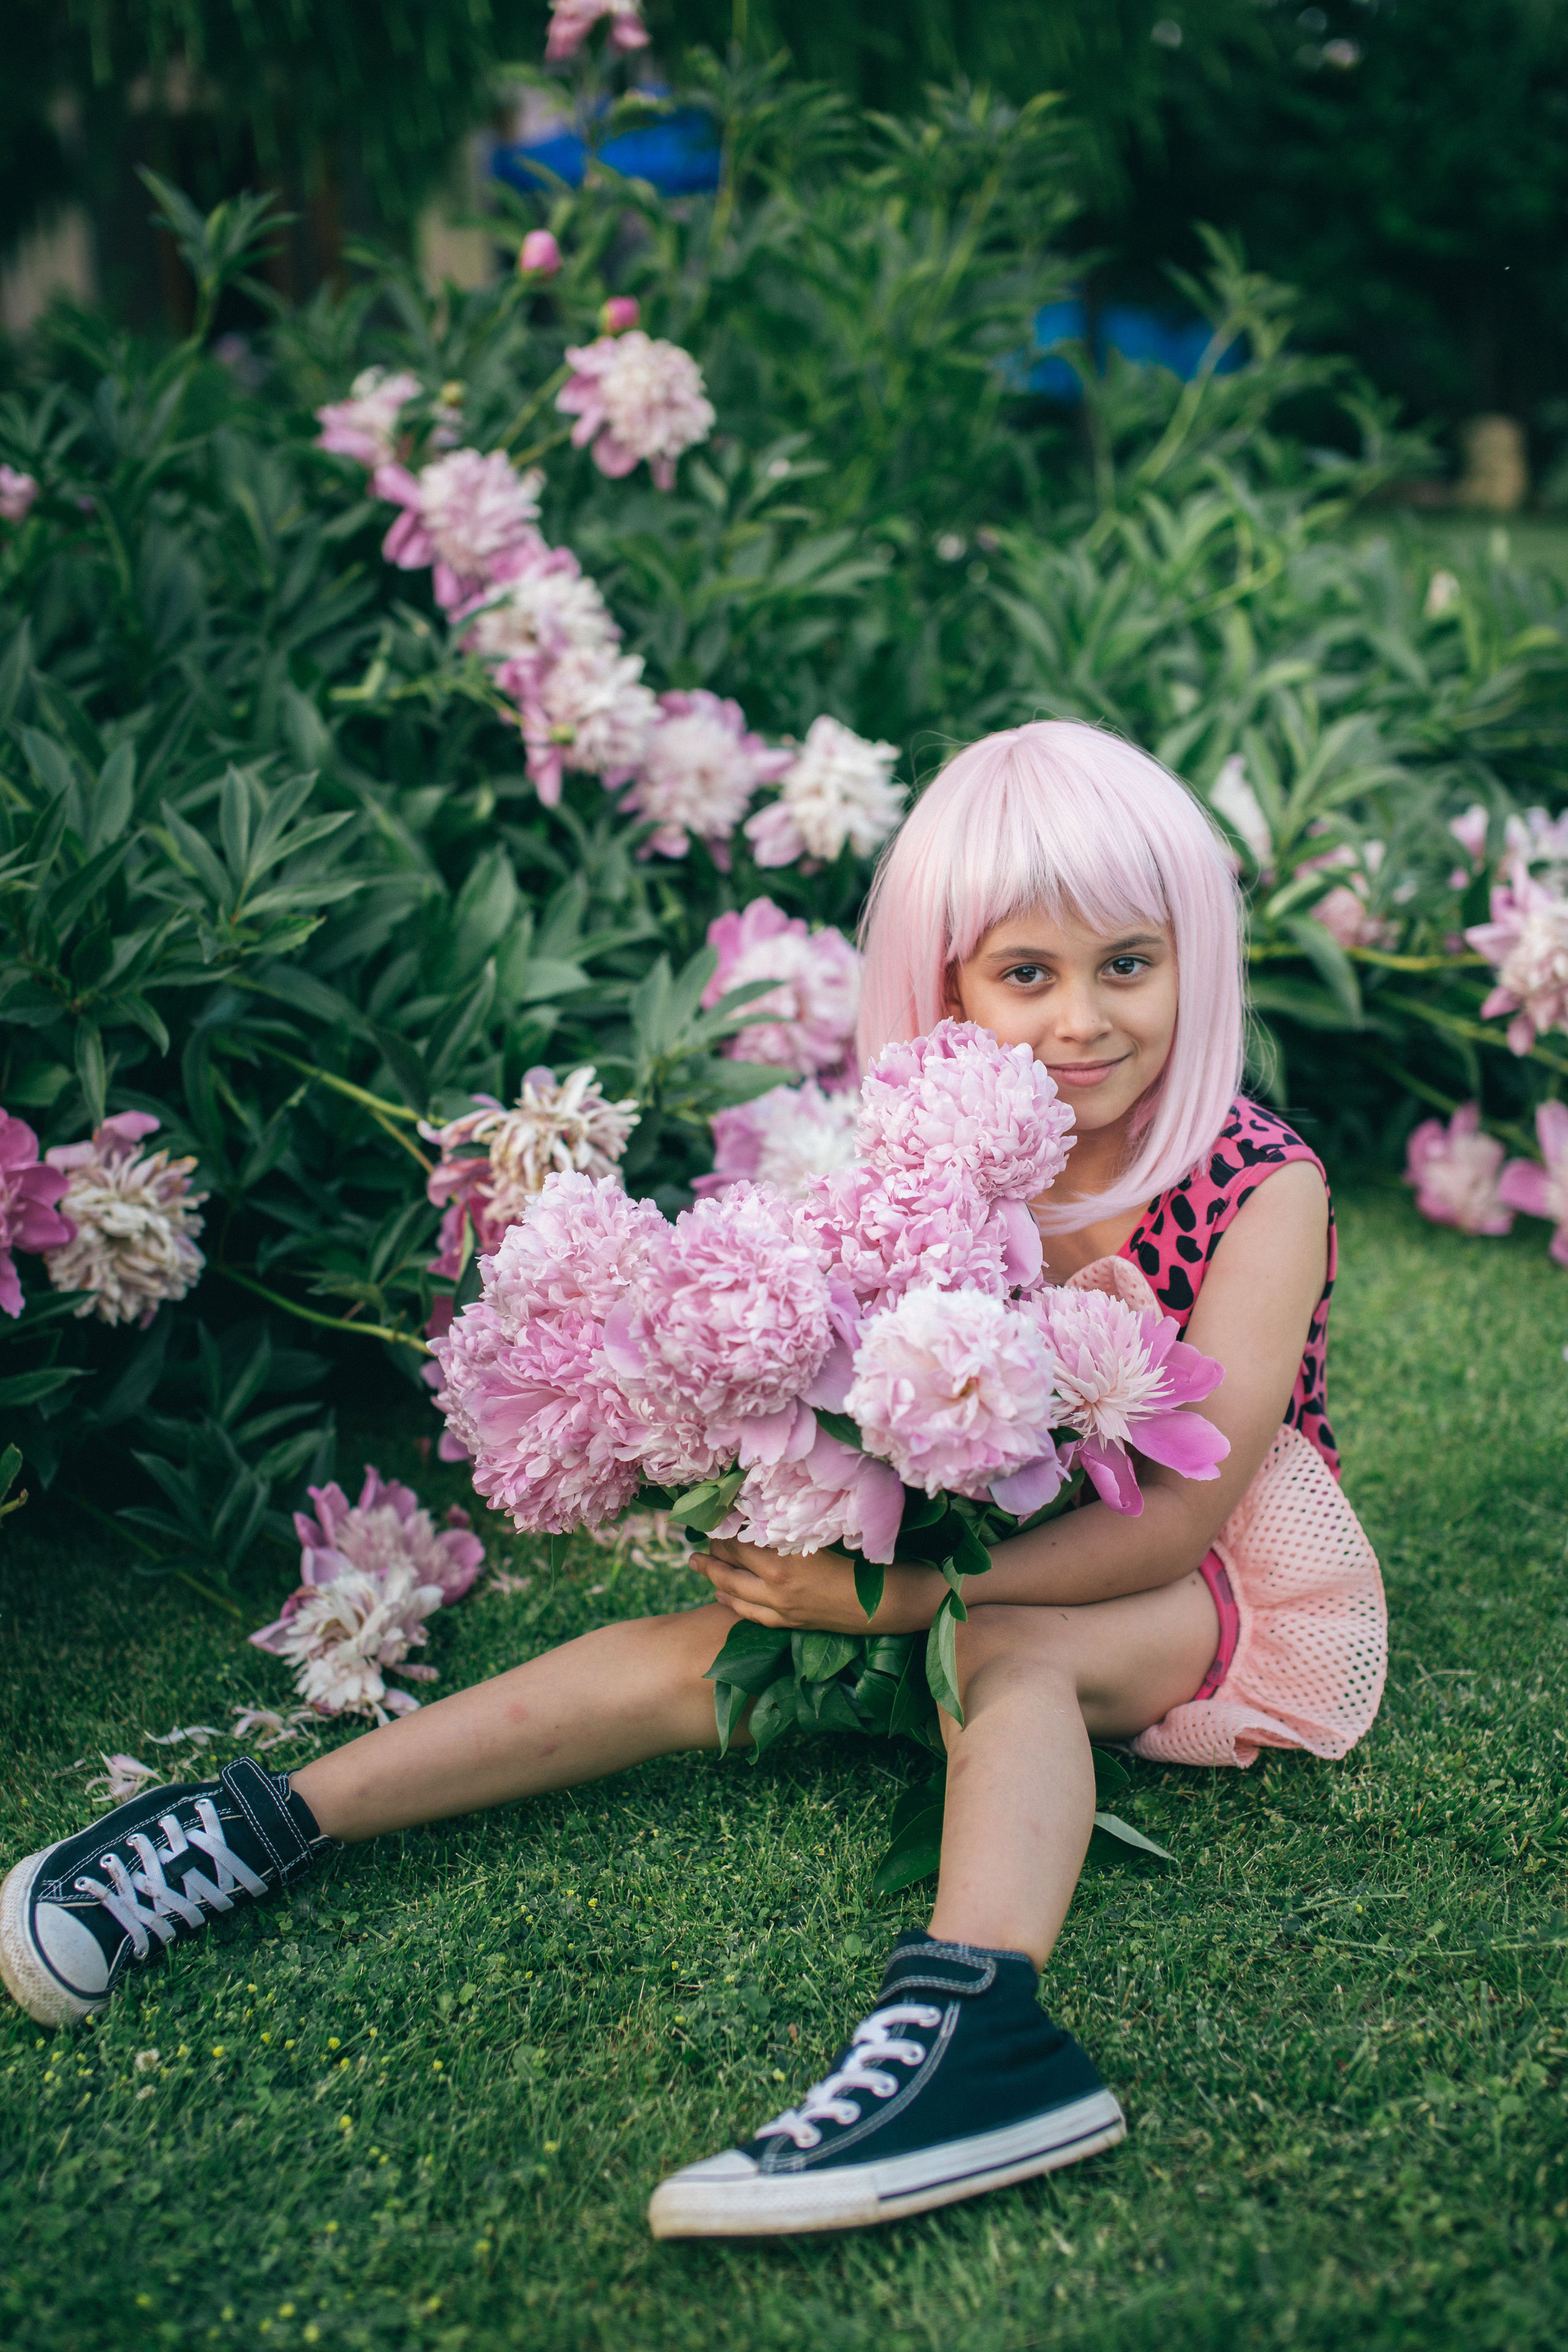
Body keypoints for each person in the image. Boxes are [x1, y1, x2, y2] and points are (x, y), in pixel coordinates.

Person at [0, 720, 1385, 2239]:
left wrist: (894, 1596)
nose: (1081, 1019)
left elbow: (1179, 1520)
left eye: (1127, 964)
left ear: (1193, 962)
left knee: (1007, 1659)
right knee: (698, 1656)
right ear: (946, 987)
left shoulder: (1259, 1184)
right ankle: (262, 1824)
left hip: (1195, 1579)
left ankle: (985, 2035)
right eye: (1025, 973)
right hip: (974, 1535)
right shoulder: (937, 1158)